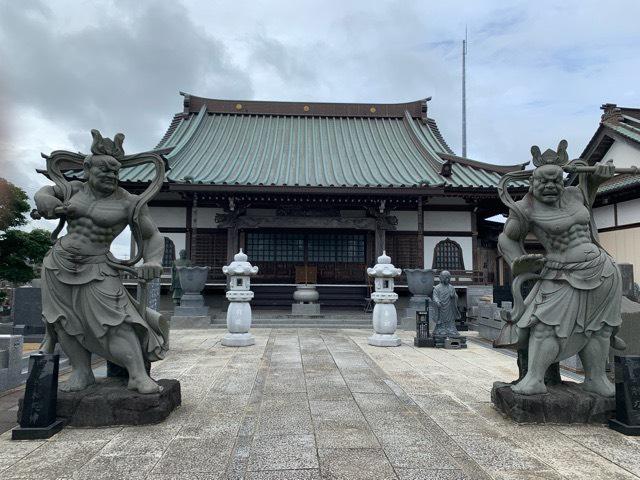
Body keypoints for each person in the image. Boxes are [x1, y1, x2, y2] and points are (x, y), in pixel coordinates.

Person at [34, 131, 168, 394]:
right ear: (87, 169)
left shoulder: (129, 203)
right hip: (58, 263)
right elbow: (44, 192)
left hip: (98, 266)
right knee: (64, 322)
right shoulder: (71, 190)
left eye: (115, 172)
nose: (110, 176)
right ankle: (82, 372)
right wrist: (47, 203)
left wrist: (153, 260)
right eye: (104, 170)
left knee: (117, 320)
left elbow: (152, 235)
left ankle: (137, 374)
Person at [498, 140, 622, 396]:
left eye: (556, 181)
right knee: (546, 324)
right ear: (532, 183)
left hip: (603, 269)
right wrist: (518, 262)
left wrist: (599, 176)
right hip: (561, 271)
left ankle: (595, 378)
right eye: (543, 182)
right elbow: (506, 239)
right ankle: (534, 378)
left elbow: (591, 190)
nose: (550, 186)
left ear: (563, 181)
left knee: (599, 328)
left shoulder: (575, 195)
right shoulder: (525, 209)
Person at [432, 270, 461, 337]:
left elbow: (455, 296)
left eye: (448, 278)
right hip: (441, 307)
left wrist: (453, 296)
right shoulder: (437, 288)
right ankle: (441, 330)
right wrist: (437, 302)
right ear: (441, 278)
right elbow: (435, 296)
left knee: (450, 320)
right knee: (441, 319)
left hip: (450, 307)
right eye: (445, 278)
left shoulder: (451, 287)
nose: (447, 279)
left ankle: (451, 330)